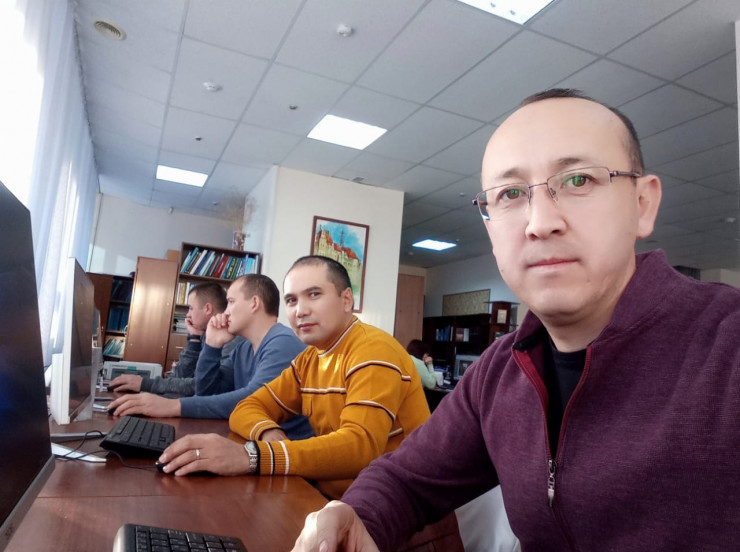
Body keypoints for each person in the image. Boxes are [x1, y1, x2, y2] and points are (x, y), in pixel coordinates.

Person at [290, 89, 740, 551]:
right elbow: (407, 478)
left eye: (579, 179)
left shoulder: (727, 347)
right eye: (510, 194)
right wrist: (356, 515)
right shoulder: (500, 370)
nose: (539, 222)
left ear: (642, 204)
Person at [156, 255, 430, 500]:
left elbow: (360, 446)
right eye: (292, 300)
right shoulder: (308, 360)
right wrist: (267, 431)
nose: (300, 311)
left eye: (314, 294)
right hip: (333, 498)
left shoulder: (373, 349)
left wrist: (252, 456)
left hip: (398, 510)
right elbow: (246, 407)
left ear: (347, 300)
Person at [108, 275, 313, 441]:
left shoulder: (283, 342)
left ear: (254, 303)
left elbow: (254, 399)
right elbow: (207, 391)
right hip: (255, 444)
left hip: (289, 458)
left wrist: (173, 406)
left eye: (231, 302)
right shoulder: (243, 348)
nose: (226, 311)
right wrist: (212, 346)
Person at [107, 282, 239, 397]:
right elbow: (180, 376)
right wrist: (194, 339)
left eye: (191, 308)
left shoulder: (230, 340)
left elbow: (202, 386)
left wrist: (145, 383)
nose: (188, 315)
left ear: (207, 308)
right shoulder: (206, 335)